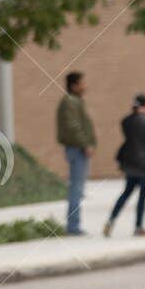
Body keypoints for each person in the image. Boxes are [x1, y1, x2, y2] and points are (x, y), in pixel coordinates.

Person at [105, 93, 145, 237]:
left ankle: (111, 221)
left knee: (126, 192)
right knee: (142, 196)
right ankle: (138, 227)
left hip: (130, 163)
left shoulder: (126, 121)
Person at [55, 71, 95, 237]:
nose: (85, 86)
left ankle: (74, 225)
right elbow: (73, 126)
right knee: (76, 188)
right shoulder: (70, 102)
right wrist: (85, 144)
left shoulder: (75, 101)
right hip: (76, 149)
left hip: (78, 148)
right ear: (74, 85)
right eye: (82, 83)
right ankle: (73, 226)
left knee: (78, 188)